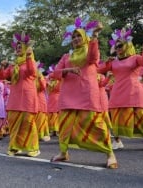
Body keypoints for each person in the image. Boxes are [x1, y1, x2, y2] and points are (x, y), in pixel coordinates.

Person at [50, 16, 117, 169]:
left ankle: (110, 154)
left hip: (87, 95)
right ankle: (63, 152)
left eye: (79, 35)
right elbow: (55, 73)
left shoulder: (90, 53)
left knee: (96, 125)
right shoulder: (66, 56)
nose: (75, 38)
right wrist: (68, 70)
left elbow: (94, 56)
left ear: (85, 37)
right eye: (73, 36)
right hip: (68, 96)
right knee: (65, 126)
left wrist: (94, 36)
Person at [98, 30, 143, 151]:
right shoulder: (113, 62)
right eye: (116, 46)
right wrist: (108, 60)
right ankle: (117, 141)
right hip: (118, 91)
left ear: (127, 45)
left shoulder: (135, 58)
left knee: (140, 116)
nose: (117, 48)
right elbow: (99, 69)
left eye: (120, 45)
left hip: (134, 91)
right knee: (116, 116)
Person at [0, 32, 40, 157]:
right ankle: (15, 147)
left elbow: (32, 72)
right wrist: (2, 67)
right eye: (16, 47)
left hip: (27, 97)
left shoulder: (29, 61)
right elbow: (2, 76)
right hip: (15, 98)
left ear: (27, 49)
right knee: (14, 122)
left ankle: (34, 147)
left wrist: (29, 57)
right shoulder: (13, 65)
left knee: (28, 123)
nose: (18, 48)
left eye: (20, 46)